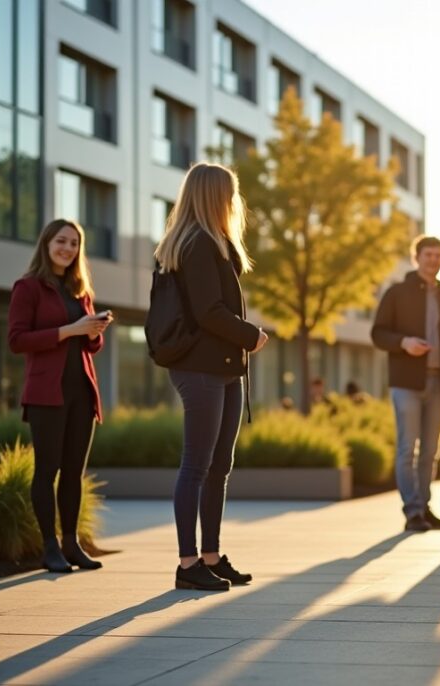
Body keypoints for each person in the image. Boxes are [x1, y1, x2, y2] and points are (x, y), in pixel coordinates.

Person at [154, 162, 270, 592]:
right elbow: (208, 312)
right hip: (200, 368)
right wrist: (251, 334)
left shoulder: (215, 241)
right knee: (197, 465)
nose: (235, 200)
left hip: (223, 367)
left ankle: (211, 556)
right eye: (231, 192)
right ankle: (188, 565)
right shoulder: (196, 244)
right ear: (215, 195)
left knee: (219, 466)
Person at [8, 219, 113, 574]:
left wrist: (94, 330)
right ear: (47, 243)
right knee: (47, 471)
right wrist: (70, 330)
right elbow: (17, 340)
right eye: (61, 241)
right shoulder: (28, 287)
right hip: (45, 394)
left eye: (73, 243)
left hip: (81, 393)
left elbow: (90, 347)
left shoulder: (80, 291)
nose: (67, 248)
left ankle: (72, 544)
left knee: (73, 473)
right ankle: (49, 547)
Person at [372, 235, 440, 533]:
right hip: (406, 382)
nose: (433, 260)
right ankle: (412, 511)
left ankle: (424, 506)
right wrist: (404, 342)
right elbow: (377, 334)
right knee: (408, 448)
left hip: (437, 383)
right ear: (416, 257)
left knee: (431, 450)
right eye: (428, 254)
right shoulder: (397, 292)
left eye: (438, 255)